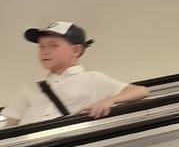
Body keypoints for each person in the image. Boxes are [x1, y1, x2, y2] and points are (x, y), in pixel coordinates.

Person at [3, 22, 148, 125]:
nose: (45, 52)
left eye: (53, 45)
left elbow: (140, 91)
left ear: (76, 50)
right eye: (41, 47)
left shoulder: (92, 79)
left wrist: (108, 101)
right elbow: (10, 124)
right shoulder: (31, 88)